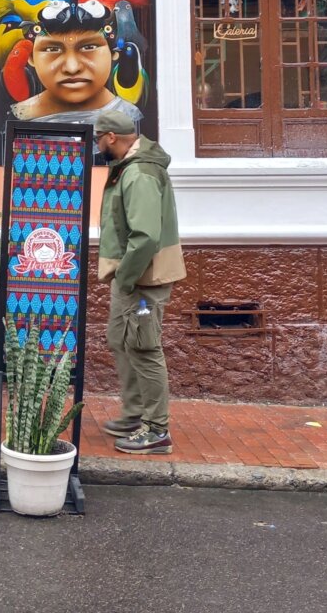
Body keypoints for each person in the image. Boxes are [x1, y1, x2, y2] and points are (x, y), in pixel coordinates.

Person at [95, 110, 186, 455]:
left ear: (112, 138)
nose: (97, 144)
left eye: (98, 138)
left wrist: (127, 277)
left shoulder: (140, 173)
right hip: (132, 277)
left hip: (143, 280)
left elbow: (145, 236)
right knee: (119, 339)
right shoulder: (130, 169)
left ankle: (157, 429)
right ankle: (135, 414)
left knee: (144, 348)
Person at [10, 25, 141, 126]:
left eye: (89, 47)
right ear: (31, 58)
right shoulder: (19, 115)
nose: (72, 68)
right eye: (52, 49)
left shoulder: (130, 116)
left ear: (113, 53)